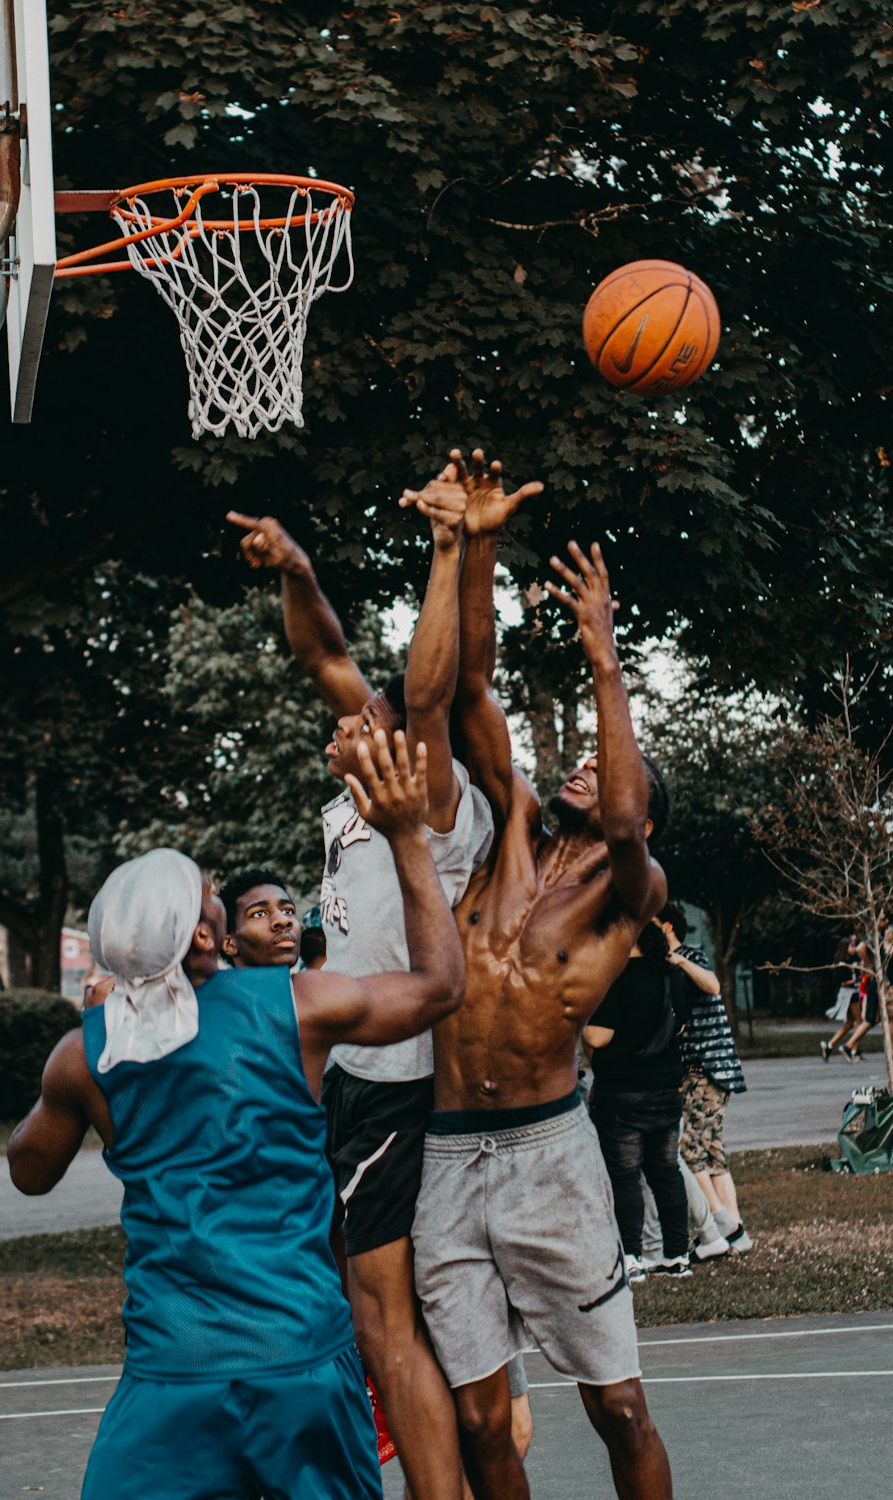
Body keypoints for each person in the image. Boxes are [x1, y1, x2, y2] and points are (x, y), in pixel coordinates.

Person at [7, 730, 465, 1500]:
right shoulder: (297, 1005)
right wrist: (406, 838)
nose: (219, 895)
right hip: (301, 1355)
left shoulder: (84, 1055)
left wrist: (89, 1032)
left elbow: (29, 1170)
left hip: (172, 1371)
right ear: (201, 931)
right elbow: (439, 987)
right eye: (208, 890)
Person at [405, 450, 673, 1500]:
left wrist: (605, 658)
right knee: (480, 1420)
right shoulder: (504, 834)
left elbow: (618, 814)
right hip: (446, 1155)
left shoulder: (630, 895)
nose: (585, 767)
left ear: (643, 817)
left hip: (549, 1157)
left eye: (611, 767)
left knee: (615, 1404)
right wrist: (475, 545)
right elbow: (469, 687)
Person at [227, 474, 501, 1500]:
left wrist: (445, 549)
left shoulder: (426, 796)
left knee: (385, 1319)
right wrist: (297, 568)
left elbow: (423, 693)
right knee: (385, 1315)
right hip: (357, 1078)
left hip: (393, 1081)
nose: (343, 712)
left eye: (366, 712)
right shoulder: (359, 801)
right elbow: (324, 652)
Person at [584, 920, 694, 1283]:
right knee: (666, 1172)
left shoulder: (616, 978)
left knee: (625, 1175)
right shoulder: (670, 975)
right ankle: (678, 1254)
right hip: (666, 1090)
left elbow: (599, 1037)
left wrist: (584, 1033)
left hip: (623, 1093)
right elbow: (679, 1026)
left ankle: (632, 1256)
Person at [658, 901, 751, 1255]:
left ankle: (720, 1222)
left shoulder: (690, 957)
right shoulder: (677, 963)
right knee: (713, 1153)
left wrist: (679, 960)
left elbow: (712, 986)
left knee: (688, 1150)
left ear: (667, 927)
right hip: (715, 1071)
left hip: (705, 1071)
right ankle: (737, 1234)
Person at [841, 913, 890, 1062]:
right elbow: (861, 948)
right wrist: (872, 968)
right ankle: (849, 1046)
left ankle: (850, 1046)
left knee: (872, 1019)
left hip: (879, 980)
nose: (886, 922)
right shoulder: (874, 936)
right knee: (870, 1019)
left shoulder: (879, 936)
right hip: (878, 980)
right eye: (883, 919)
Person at [821, 933, 862, 1061]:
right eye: (852, 946)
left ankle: (829, 1044)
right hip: (850, 993)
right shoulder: (843, 964)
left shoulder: (849, 961)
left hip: (849, 992)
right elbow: (844, 981)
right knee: (859, 1021)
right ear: (845, 948)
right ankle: (852, 1050)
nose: (854, 948)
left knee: (850, 1023)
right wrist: (857, 980)